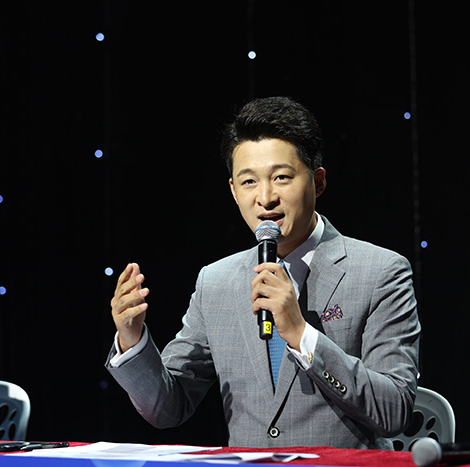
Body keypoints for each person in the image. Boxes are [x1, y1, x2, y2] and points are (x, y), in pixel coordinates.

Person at [106, 96, 420, 450]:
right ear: (233, 191)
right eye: (249, 182)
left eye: (281, 177)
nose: (266, 197)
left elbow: (395, 411)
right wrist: (132, 339)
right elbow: (168, 408)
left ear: (318, 182)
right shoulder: (216, 282)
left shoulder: (380, 272)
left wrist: (301, 334)